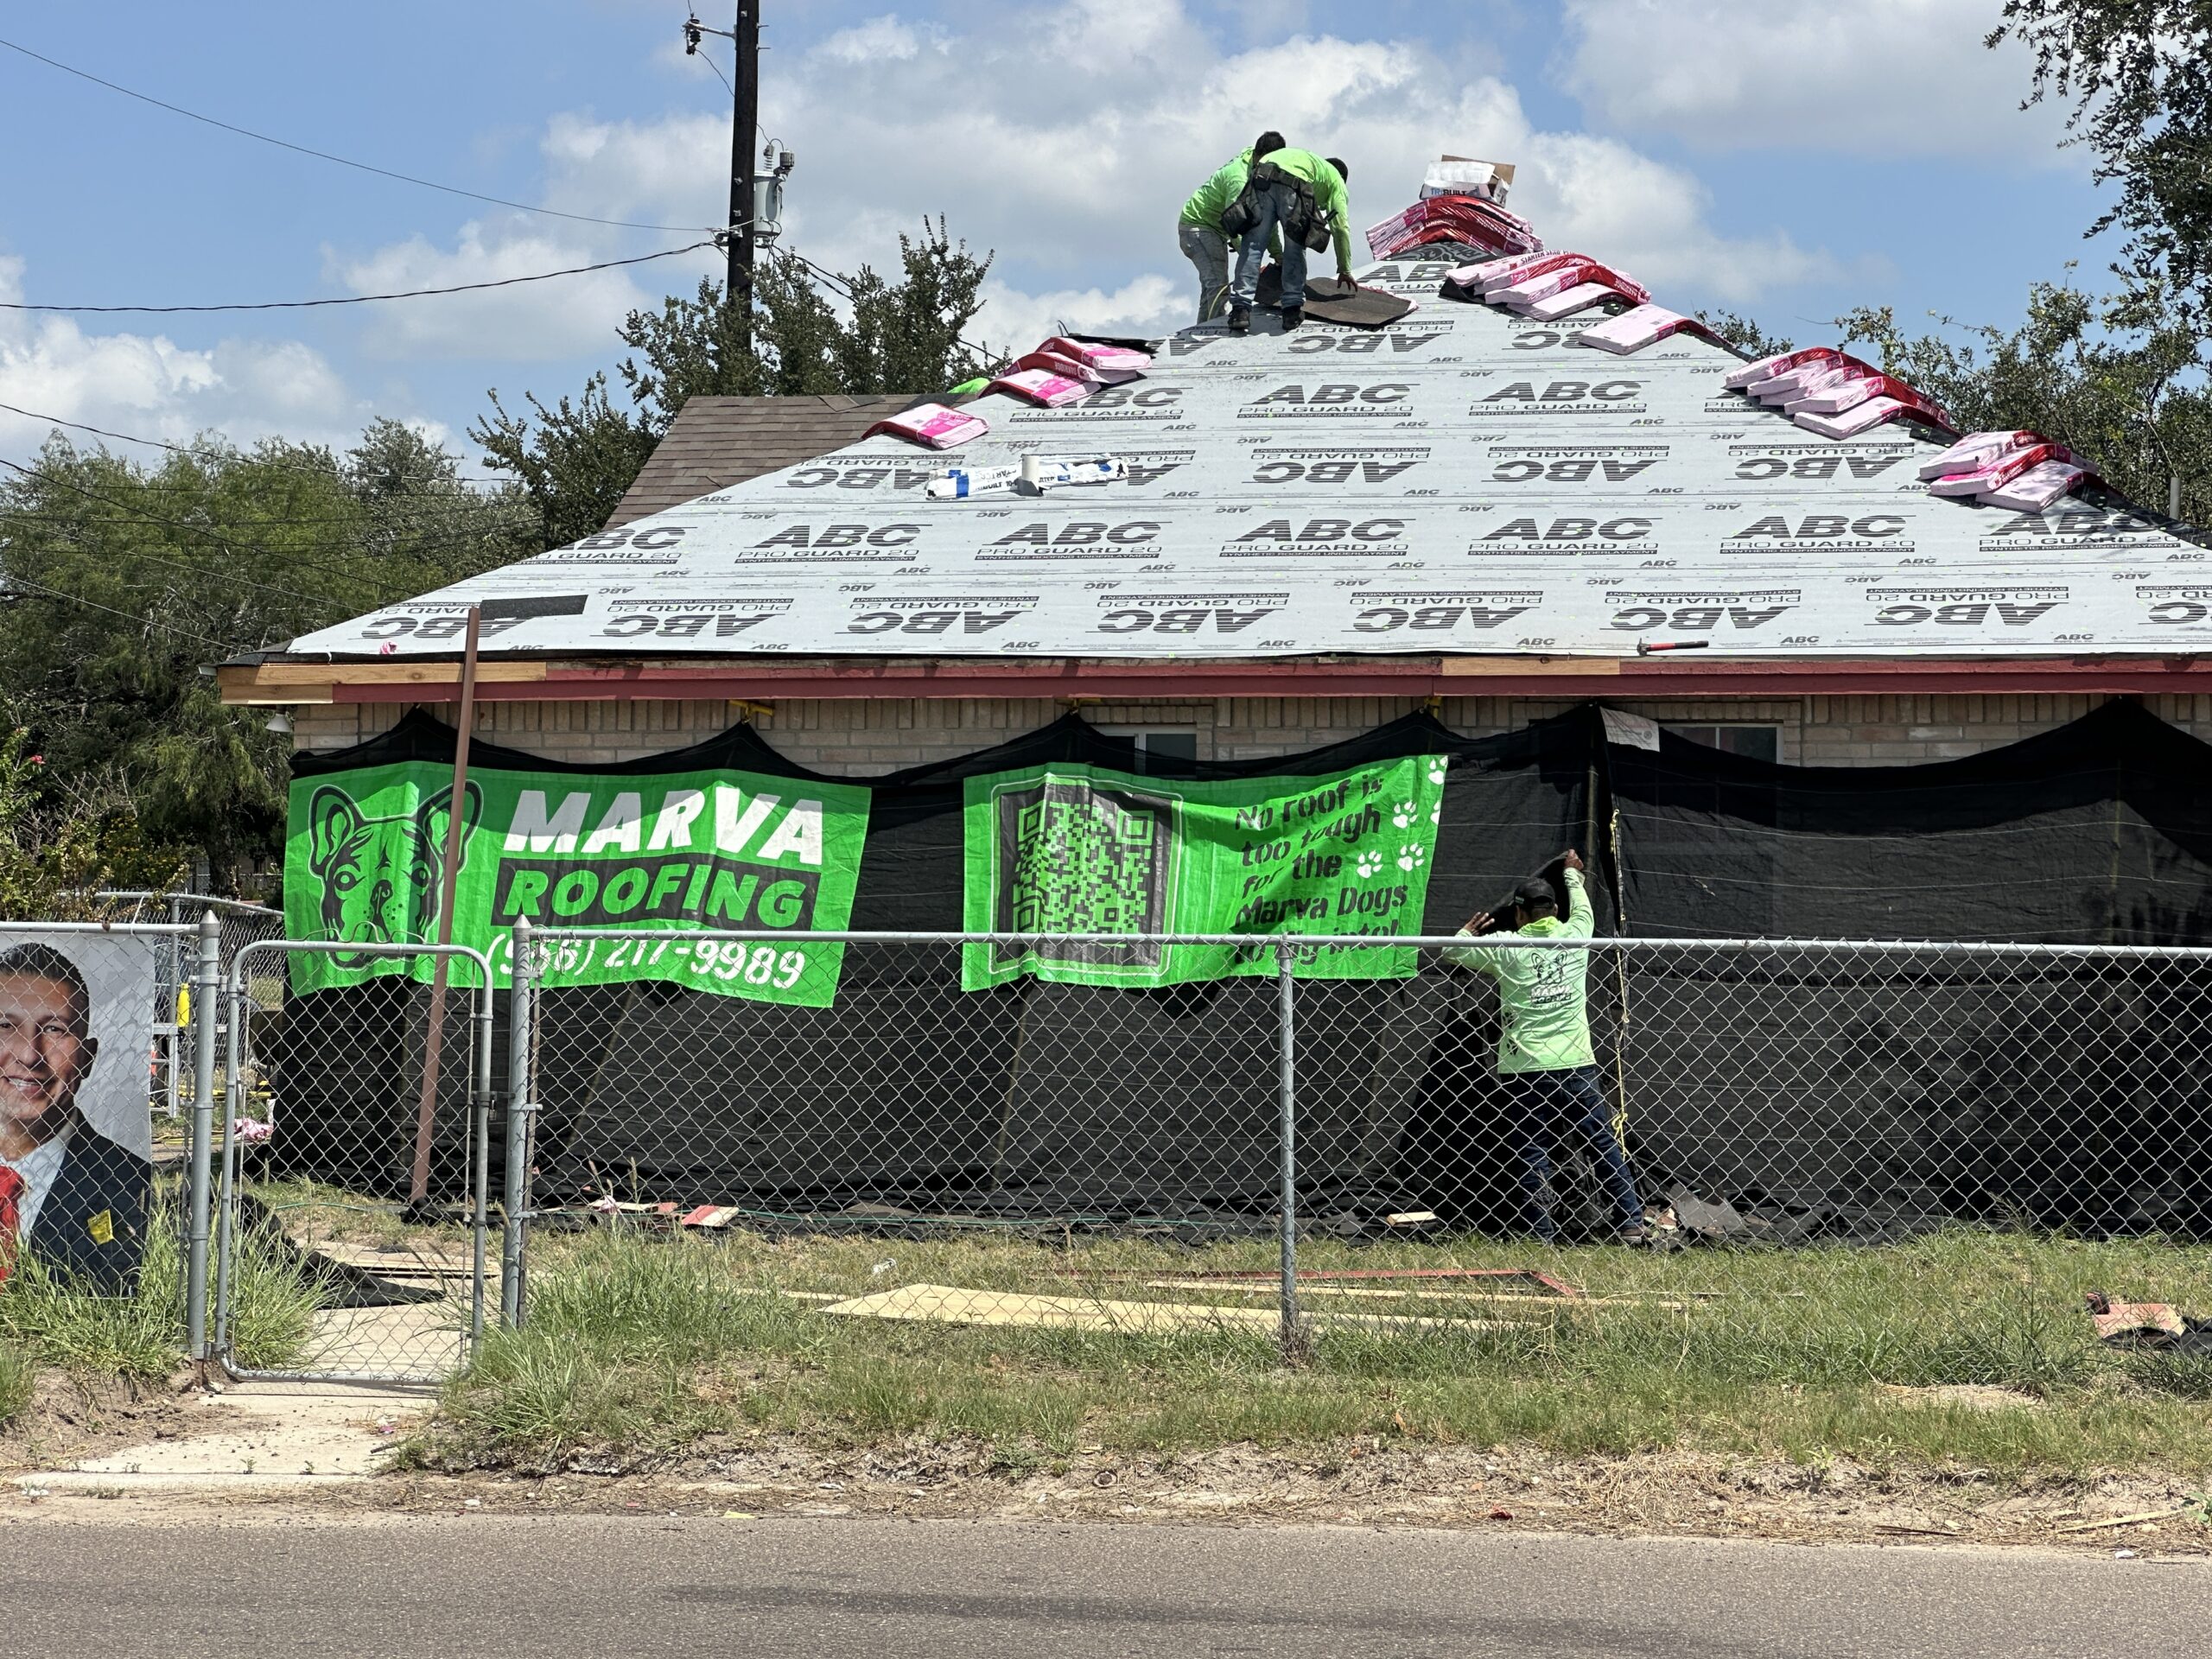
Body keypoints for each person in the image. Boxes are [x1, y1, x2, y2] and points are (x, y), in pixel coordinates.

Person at [1439, 852, 1647, 1245]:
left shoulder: (1505, 946)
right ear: (1554, 910)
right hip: (1576, 1064)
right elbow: (1582, 904)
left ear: (1518, 914)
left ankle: (1541, 1235)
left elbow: (1451, 952)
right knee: (1601, 1144)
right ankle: (1631, 1222)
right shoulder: (1577, 933)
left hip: (1525, 1069)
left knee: (1532, 1151)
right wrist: (1571, 874)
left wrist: (1467, 932)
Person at [0, 943, 150, 1293]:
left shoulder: (135, 1187)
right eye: (5, 1025)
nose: (29, 1055)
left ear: (87, 1057)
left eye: (54, 1029)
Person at [1224, 149, 1356, 334]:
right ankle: (1292, 311)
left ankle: (1240, 310)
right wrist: (1345, 269)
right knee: (1295, 245)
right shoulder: (1337, 181)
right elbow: (1340, 228)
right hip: (1293, 183)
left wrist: (1276, 254)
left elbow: (1268, 231)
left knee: (1252, 245)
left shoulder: (1311, 164)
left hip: (1262, 175)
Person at [1178, 131, 1285, 325]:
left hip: (1212, 228)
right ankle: (1212, 333)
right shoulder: (1239, 180)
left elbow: (1268, 220)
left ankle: (1204, 327)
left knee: (1212, 288)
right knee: (1218, 287)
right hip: (1199, 228)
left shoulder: (1257, 163)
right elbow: (1233, 223)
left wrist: (1278, 255)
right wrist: (1253, 265)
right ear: (1260, 156)